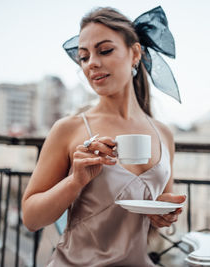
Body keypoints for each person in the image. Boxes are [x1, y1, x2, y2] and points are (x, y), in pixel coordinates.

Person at [22, 6, 185, 267]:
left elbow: (155, 212)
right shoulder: (68, 129)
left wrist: (163, 214)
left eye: (105, 50)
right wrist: (75, 180)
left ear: (135, 53)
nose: (92, 63)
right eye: (84, 57)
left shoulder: (164, 134)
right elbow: (31, 218)